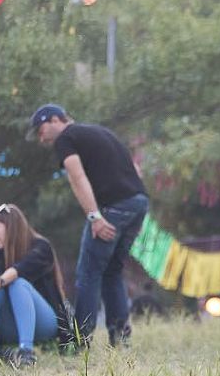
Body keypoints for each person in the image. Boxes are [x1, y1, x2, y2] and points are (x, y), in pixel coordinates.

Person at [31, 104, 150, 347]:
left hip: (113, 207)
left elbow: (77, 177)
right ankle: (120, 338)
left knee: (88, 272)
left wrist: (95, 217)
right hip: (138, 202)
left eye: (40, 130)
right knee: (112, 270)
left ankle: (80, 340)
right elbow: (136, 170)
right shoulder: (100, 132)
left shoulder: (66, 138)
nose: (41, 138)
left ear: (55, 120)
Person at [0, 203, 69, 361]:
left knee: (17, 284)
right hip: (10, 327)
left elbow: (20, 269)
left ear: (10, 227)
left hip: (44, 324)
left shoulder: (41, 247)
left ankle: (26, 352)